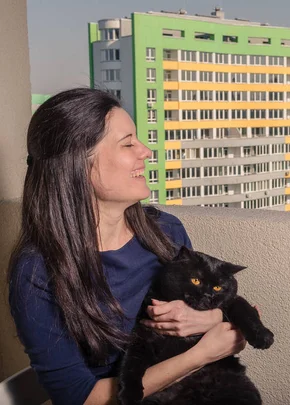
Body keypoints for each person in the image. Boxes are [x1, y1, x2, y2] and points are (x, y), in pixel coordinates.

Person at [8, 88, 247, 405]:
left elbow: (206, 313)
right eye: (128, 143)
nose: (146, 151)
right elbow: (79, 398)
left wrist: (215, 320)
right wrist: (201, 354)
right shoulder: (36, 272)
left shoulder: (166, 231)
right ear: (79, 164)